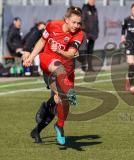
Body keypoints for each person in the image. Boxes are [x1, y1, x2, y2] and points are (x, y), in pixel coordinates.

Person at [23, 6, 84, 145]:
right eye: (74, 22)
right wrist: (31, 57)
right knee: (58, 68)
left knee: (60, 101)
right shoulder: (52, 25)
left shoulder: (79, 34)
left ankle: (48, 126)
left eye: (79, 23)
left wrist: (62, 51)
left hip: (67, 72)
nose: (77, 26)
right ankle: (68, 92)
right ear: (66, 20)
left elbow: (70, 53)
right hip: (48, 65)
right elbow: (42, 41)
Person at [80, 0, 99, 72]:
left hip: (93, 34)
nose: (93, 1)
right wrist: (84, 31)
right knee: (84, 51)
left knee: (90, 52)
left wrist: (96, 32)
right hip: (86, 34)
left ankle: (90, 67)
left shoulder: (94, 9)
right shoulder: (84, 8)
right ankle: (83, 67)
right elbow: (82, 21)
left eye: (94, 0)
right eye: (91, 0)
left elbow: (96, 22)